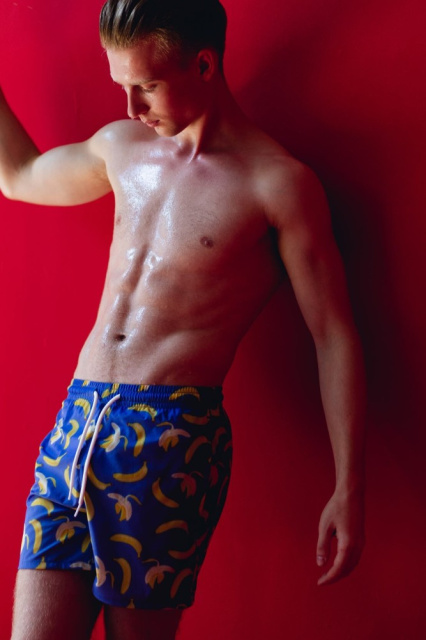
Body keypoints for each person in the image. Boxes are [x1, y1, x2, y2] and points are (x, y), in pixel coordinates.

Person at [2, 0, 366, 638]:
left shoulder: (277, 186)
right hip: (77, 424)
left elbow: (332, 335)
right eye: (122, 86)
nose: (130, 108)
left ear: (203, 64)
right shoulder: (122, 148)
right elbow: (18, 176)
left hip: (171, 438)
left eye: (146, 86)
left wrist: (349, 487)